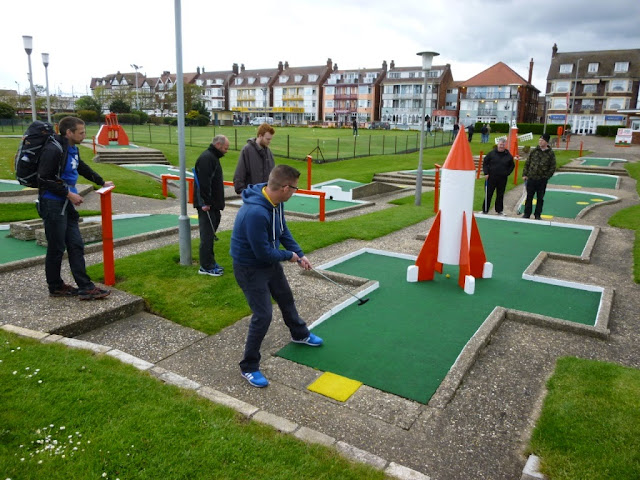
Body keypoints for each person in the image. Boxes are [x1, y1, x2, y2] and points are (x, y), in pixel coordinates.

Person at [231, 164, 323, 388]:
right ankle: (249, 366)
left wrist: (300, 254)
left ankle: (299, 334)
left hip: (267, 262)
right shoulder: (255, 213)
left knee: (285, 297)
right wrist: (289, 256)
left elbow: (282, 231)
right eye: (295, 189)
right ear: (284, 187)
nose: (295, 192)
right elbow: (261, 252)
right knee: (263, 315)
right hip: (249, 267)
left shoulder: (275, 202)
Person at [37, 116, 113, 300]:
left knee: (76, 244)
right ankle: (55, 286)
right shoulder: (54, 149)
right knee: (56, 247)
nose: (84, 135)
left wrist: (101, 181)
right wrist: (68, 194)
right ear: (68, 132)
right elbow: (44, 178)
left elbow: (82, 167)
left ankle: (85, 287)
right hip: (52, 203)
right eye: (81, 132)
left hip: (65, 203)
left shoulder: (72, 148)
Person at [193, 135, 229, 276]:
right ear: (218, 145)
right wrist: (205, 203)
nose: (226, 151)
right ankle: (206, 266)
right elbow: (203, 183)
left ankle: (210, 262)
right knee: (207, 236)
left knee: (210, 235)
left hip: (213, 204)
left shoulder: (212, 158)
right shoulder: (207, 159)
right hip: (207, 205)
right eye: (225, 148)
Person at [233, 123, 275, 194]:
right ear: (260, 136)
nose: (269, 141)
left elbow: (273, 173)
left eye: (270, 139)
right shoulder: (247, 150)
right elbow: (240, 173)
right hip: (252, 195)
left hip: (266, 195)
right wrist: (242, 192)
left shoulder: (268, 152)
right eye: (267, 139)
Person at [522, 133, 556, 220]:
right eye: (539, 140)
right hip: (531, 178)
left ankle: (537, 215)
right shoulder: (534, 151)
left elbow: (552, 167)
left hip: (542, 180)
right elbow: (527, 163)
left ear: (546, 142)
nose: (540, 142)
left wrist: (546, 176)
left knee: (540, 198)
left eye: (542, 140)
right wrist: (525, 174)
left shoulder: (550, 153)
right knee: (529, 197)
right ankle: (527, 213)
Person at [482, 139, 515, 215]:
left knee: (500, 194)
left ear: (505, 145)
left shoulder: (508, 155)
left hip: (502, 178)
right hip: (491, 177)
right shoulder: (491, 153)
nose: (501, 146)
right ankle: (485, 210)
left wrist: (507, 173)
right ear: (498, 144)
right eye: (500, 144)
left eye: (503, 145)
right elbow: (485, 163)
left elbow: (512, 165)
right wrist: (486, 173)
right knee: (488, 193)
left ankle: (499, 210)